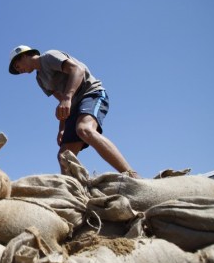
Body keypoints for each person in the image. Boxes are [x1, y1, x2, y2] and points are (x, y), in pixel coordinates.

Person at [8, 46, 139, 178]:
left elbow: (78, 69)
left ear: (24, 55)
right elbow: (63, 103)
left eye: (17, 66)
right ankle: (75, 194)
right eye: (17, 71)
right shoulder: (40, 79)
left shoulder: (49, 57)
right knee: (64, 156)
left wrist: (68, 97)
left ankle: (132, 176)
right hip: (74, 105)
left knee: (84, 129)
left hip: (90, 93)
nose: (20, 71)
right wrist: (62, 129)